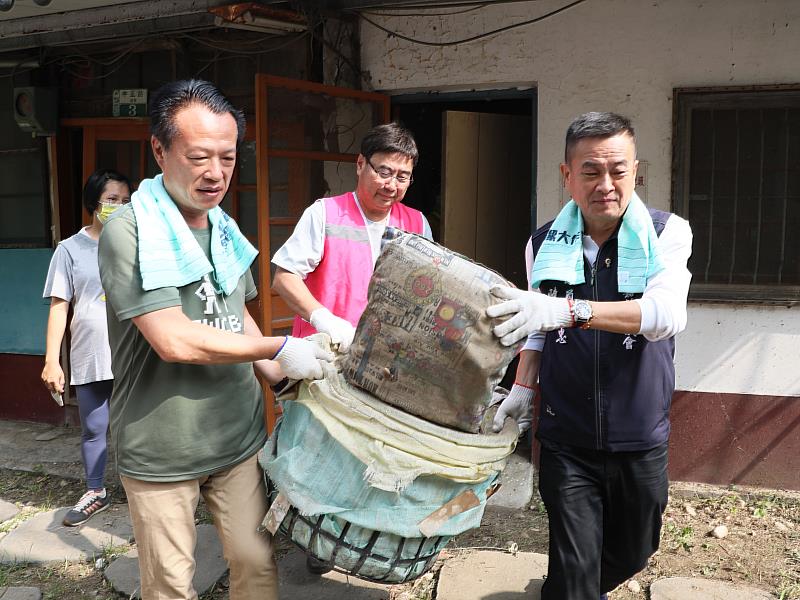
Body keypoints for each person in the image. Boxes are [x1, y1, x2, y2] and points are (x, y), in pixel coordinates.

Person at [98, 79, 333, 600]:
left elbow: (236, 315)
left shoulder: (223, 228)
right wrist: (278, 346)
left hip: (237, 438)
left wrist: (281, 377)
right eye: (199, 156)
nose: (216, 174)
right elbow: (174, 339)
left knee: (256, 564)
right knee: (170, 587)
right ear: (159, 150)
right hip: (164, 448)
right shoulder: (129, 230)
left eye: (227, 158)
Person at [487, 112, 693, 600]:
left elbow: (665, 315)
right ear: (567, 175)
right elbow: (537, 326)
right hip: (566, 435)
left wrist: (570, 310)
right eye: (591, 171)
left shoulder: (667, 233)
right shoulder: (542, 243)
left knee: (635, 551)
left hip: (639, 432)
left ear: (635, 170)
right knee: (577, 568)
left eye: (618, 171)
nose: (606, 184)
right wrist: (522, 387)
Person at [272, 122, 433, 353]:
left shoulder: (417, 222)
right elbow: (284, 278)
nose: (391, 185)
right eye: (384, 172)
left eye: (402, 177)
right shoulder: (325, 213)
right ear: (360, 164)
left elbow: (427, 288)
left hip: (386, 356)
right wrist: (322, 319)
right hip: (326, 353)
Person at [41, 169, 131, 527]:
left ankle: (147, 493)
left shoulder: (136, 243)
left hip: (133, 352)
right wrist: (51, 361)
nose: (120, 207)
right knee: (95, 427)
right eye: (112, 200)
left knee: (136, 428)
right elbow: (59, 306)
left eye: (126, 201)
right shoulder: (70, 249)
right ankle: (96, 491)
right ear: (94, 203)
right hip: (91, 351)